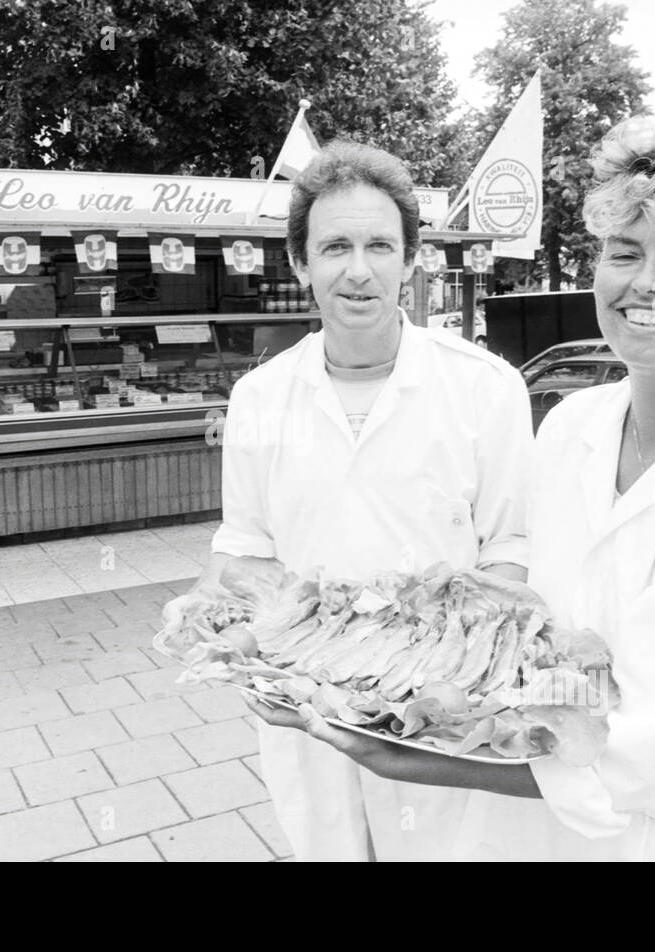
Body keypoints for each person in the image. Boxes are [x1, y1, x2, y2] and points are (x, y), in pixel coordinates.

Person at [249, 115, 655, 862]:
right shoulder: (574, 427)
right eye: (625, 252)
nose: (648, 284)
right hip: (544, 837)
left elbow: (637, 754)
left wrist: (413, 756)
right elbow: (530, 629)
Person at [168, 140, 537, 861]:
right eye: (335, 246)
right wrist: (222, 625)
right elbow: (243, 545)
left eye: (380, 245)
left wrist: (452, 677)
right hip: (308, 706)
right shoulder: (259, 398)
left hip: (438, 712)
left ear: (412, 258)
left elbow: (512, 548)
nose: (359, 270)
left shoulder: (486, 389)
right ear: (301, 263)